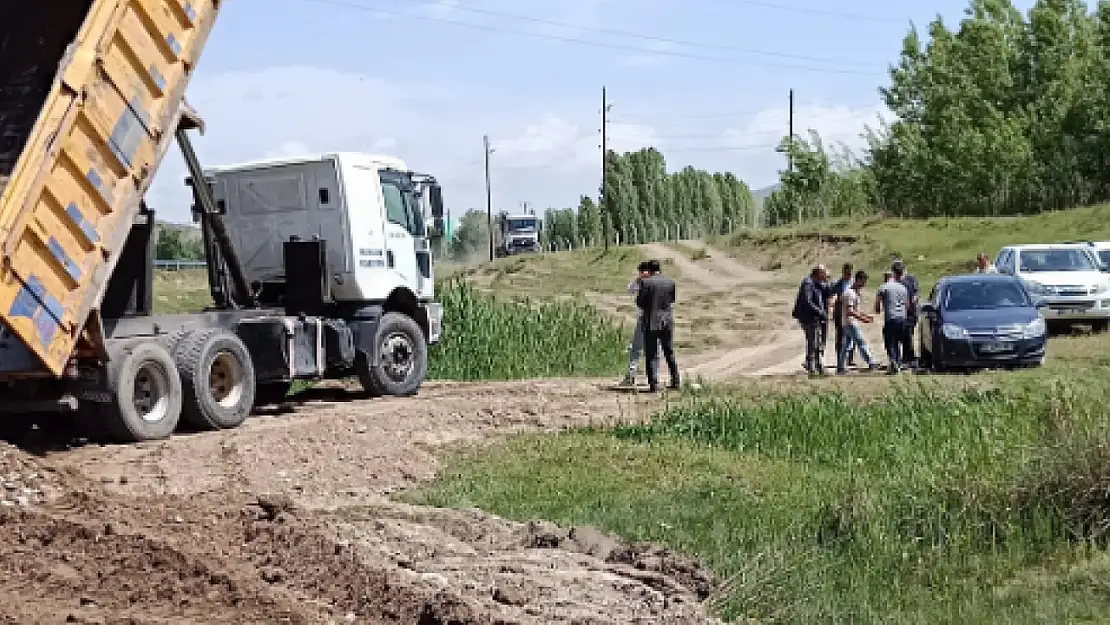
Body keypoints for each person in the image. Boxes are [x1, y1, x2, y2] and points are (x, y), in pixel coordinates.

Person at [636, 259, 679, 392]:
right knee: (669, 351)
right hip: (667, 320)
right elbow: (672, 300)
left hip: (651, 321)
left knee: (651, 352)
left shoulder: (645, 282)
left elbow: (639, 302)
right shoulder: (670, 282)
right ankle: (676, 380)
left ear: (649, 270)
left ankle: (654, 384)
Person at [837, 270, 879, 374]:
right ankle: (871, 362)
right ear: (859, 280)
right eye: (863, 281)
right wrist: (863, 319)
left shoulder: (854, 293)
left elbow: (856, 310)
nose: (864, 284)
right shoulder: (850, 293)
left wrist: (865, 316)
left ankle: (840, 366)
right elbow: (850, 311)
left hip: (848, 322)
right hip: (850, 323)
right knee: (861, 342)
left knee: (846, 345)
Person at [792, 264, 829, 375]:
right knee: (813, 342)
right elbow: (807, 302)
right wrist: (820, 312)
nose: (824, 276)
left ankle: (817, 366)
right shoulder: (808, 283)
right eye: (823, 273)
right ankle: (812, 367)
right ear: (818, 273)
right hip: (808, 318)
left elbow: (828, 290)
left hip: (814, 317)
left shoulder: (816, 283)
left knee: (815, 341)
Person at [620, 261, 652, 386]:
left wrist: (639, 280)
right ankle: (651, 377)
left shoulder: (646, 283)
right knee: (649, 349)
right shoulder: (643, 282)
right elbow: (630, 289)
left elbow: (630, 289)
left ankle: (632, 375)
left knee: (636, 348)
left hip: (644, 319)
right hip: (654, 320)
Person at [874, 269, 909, 374]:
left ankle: (893, 362)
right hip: (902, 318)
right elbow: (907, 305)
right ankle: (898, 362)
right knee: (897, 341)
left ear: (885, 278)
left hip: (891, 318)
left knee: (890, 342)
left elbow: (877, 304)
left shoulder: (883, 287)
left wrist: (878, 309)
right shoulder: (903, 288)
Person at [893, 260, 920, 368]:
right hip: (910, 312)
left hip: (907, 313)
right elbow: (916, 295)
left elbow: (914, 296)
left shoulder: (902, 282)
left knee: (906, 336)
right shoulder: (911, 279)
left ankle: (908, 358)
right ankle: (907, 357)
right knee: (906, 336)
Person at [830, 263, 855, 367]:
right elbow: (831, 294)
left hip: (851, 311)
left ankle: (850, 358)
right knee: (840, 335)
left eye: (849, 271)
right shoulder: (837, 283)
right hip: (840, 311)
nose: (847, 273)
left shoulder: (853, 282)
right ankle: (840, 359)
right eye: (846, 271)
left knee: (852, 334)